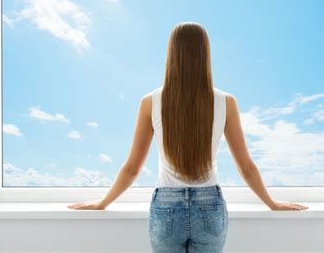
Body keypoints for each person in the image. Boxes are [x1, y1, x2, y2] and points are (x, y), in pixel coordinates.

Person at [67, 22, 308, 252]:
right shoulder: (226, 102)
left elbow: (132, 168)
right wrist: (271, 202)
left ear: (172, 54)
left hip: (166, 207)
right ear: (205, 54)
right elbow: (246, 167)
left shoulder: (151, 102)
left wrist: (103, 202)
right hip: (210, 206)